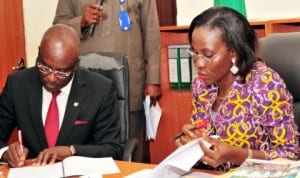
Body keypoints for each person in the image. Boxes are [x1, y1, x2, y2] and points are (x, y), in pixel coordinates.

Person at [175, 6, 299, 172]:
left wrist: (236, 155)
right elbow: (204, 138)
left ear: (234, 53)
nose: (198, 63)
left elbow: (290, 155)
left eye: (208, 55)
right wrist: (191, 141)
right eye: (194, 53)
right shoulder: (201, 84)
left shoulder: (265, 84)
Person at [53, 0, 162, 163]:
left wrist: (153, 79)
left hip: (129, 82)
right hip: (84, 83)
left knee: (131, 149)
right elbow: (58, 28)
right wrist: (80, 22)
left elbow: (151, 31)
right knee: (83, 150)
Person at [0, 24, 123, 167]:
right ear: (39, 54)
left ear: (75, 65)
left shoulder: (100, 90)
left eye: (61, 72)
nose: (51, 78)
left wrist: (72, 151)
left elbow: (113, 149)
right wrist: (5, 152)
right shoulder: (17, 84)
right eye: (44, 67)